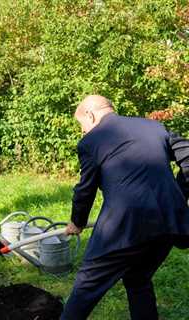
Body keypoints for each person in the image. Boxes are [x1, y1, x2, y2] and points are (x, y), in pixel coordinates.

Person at [61, 95, 189, 320]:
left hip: (125, 226)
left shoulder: (91, 141)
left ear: (90, 116)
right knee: (138, 279)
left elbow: (85, 189)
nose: (83, 132)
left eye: (82, 126)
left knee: (87, 285)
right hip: (170, 224)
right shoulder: (154, 127)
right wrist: (179, 195)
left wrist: (77, 222)